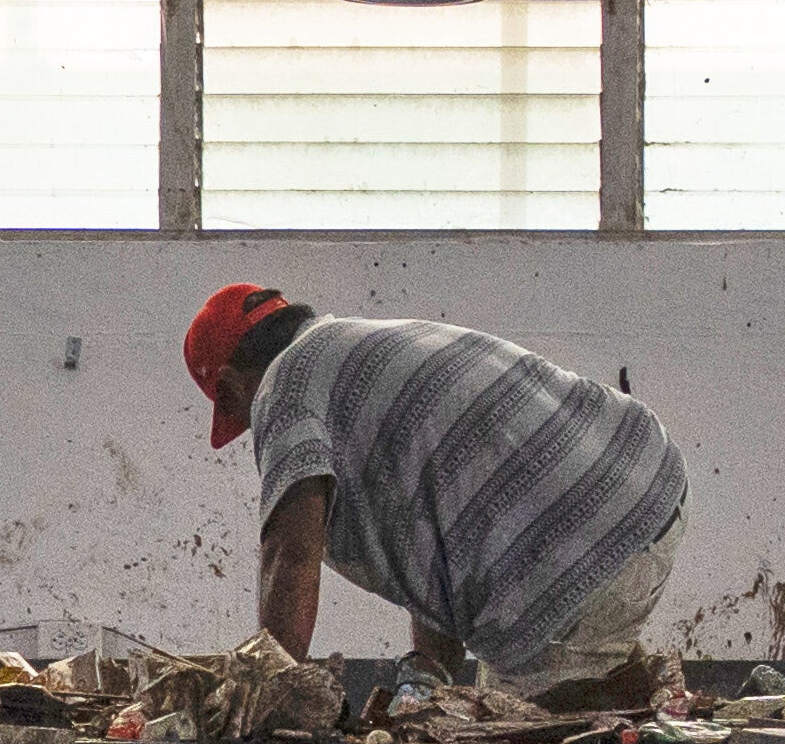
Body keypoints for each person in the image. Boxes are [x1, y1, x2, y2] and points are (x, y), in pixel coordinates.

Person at [179, 282, 693, 694]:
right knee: (549, 695)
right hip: (646, 478)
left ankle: (633, 729)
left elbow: (289, 553)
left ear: (228, 385)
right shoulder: (354, 348)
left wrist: (267, 693)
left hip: (577, 547)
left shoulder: (283, 386)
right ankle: (642, 694)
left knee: (512, 736)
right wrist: (431, 665)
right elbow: (438, 523)